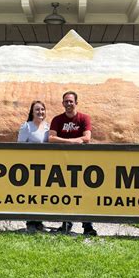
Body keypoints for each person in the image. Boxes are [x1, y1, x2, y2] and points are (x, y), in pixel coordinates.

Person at [48, 91, 97, 236]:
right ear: (63, 103)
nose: (68, 104)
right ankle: (66, 224)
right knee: (65, 194)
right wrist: (72, 141)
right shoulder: (57, 119)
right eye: (66, 101)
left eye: (71, 101)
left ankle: (87, 226)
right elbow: (51, 138)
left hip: (81, 162)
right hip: (63, 162)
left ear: (76, 102)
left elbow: (87, 138)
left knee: (83, 193)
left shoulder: (84, 118)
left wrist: (68, 140)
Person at [18, 100, 50, 233]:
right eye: (37, 109)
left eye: (42, 109)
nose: (40, 112)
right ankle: (30, 221)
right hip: (29, 166)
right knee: (30, 194)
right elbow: (19, 146)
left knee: (41, 194)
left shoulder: (48, 127)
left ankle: (39, 221)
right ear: (32, 112)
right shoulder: (27, 126)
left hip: (45, 166)